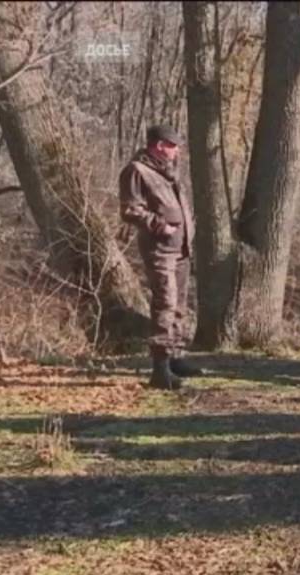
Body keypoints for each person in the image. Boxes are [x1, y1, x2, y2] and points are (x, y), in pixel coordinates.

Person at [119, 125, 202, 390]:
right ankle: (160, 368)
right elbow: (131, 210)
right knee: (164, 303)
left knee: (178, 305)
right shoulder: (137, 171)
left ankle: (176, 356)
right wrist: (160, 226)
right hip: (160, 248)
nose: (177, 150)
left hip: (181, 249)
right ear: (158, 145)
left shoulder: (167, 172)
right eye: (172, 145)